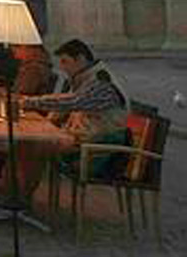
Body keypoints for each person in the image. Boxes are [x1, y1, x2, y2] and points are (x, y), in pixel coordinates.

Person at [11, 39, 130, 198]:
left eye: (66, 62)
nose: (63, 68)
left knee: (34, 145)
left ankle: (20, 197)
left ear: (80, 58)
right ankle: (12, 192)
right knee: (27, 142)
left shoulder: (103, 84)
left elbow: (74, 101)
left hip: (97, 149)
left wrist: (27, 102)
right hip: (85, 140)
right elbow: (67, 101)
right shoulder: (85, 79)